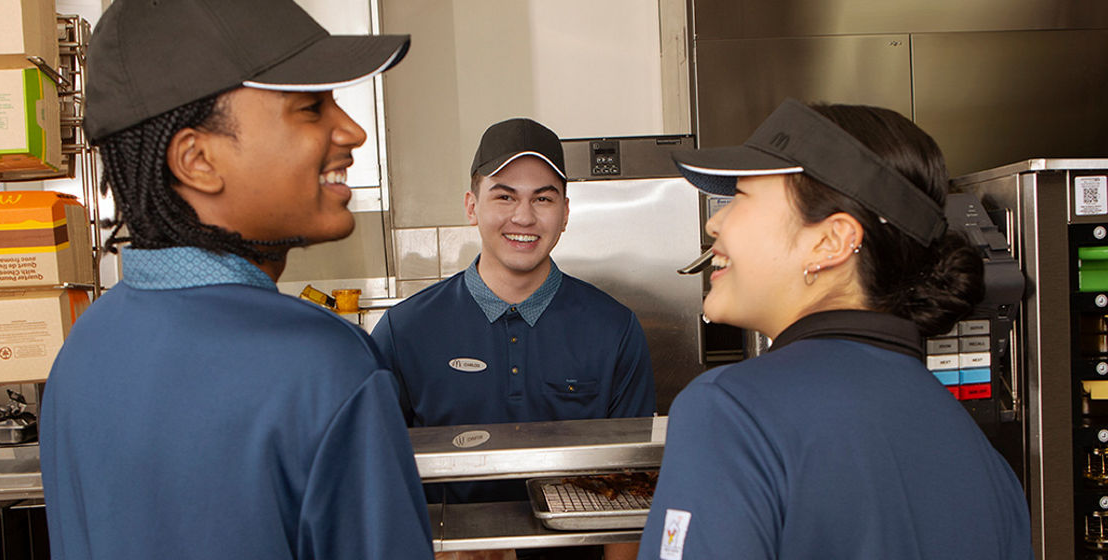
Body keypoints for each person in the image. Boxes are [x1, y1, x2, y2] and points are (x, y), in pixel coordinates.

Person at [39, 1, 432, 559]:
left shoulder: (83, 349)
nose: (353, 131)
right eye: (310, 108)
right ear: (197, 159)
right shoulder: (323, 365)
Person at [638, 99, 1033, 559]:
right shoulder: (986, 465)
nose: (714, 221)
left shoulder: (729, 413)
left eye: (740, 197)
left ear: (830, 241)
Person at [371, 118, 655, 559]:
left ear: (564, 212)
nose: (523, 216)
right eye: (504, 196)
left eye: (543, 198)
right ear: (471, 206)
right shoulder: (404, 330)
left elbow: (633, 488)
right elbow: (381, 479)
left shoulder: (614, 329)